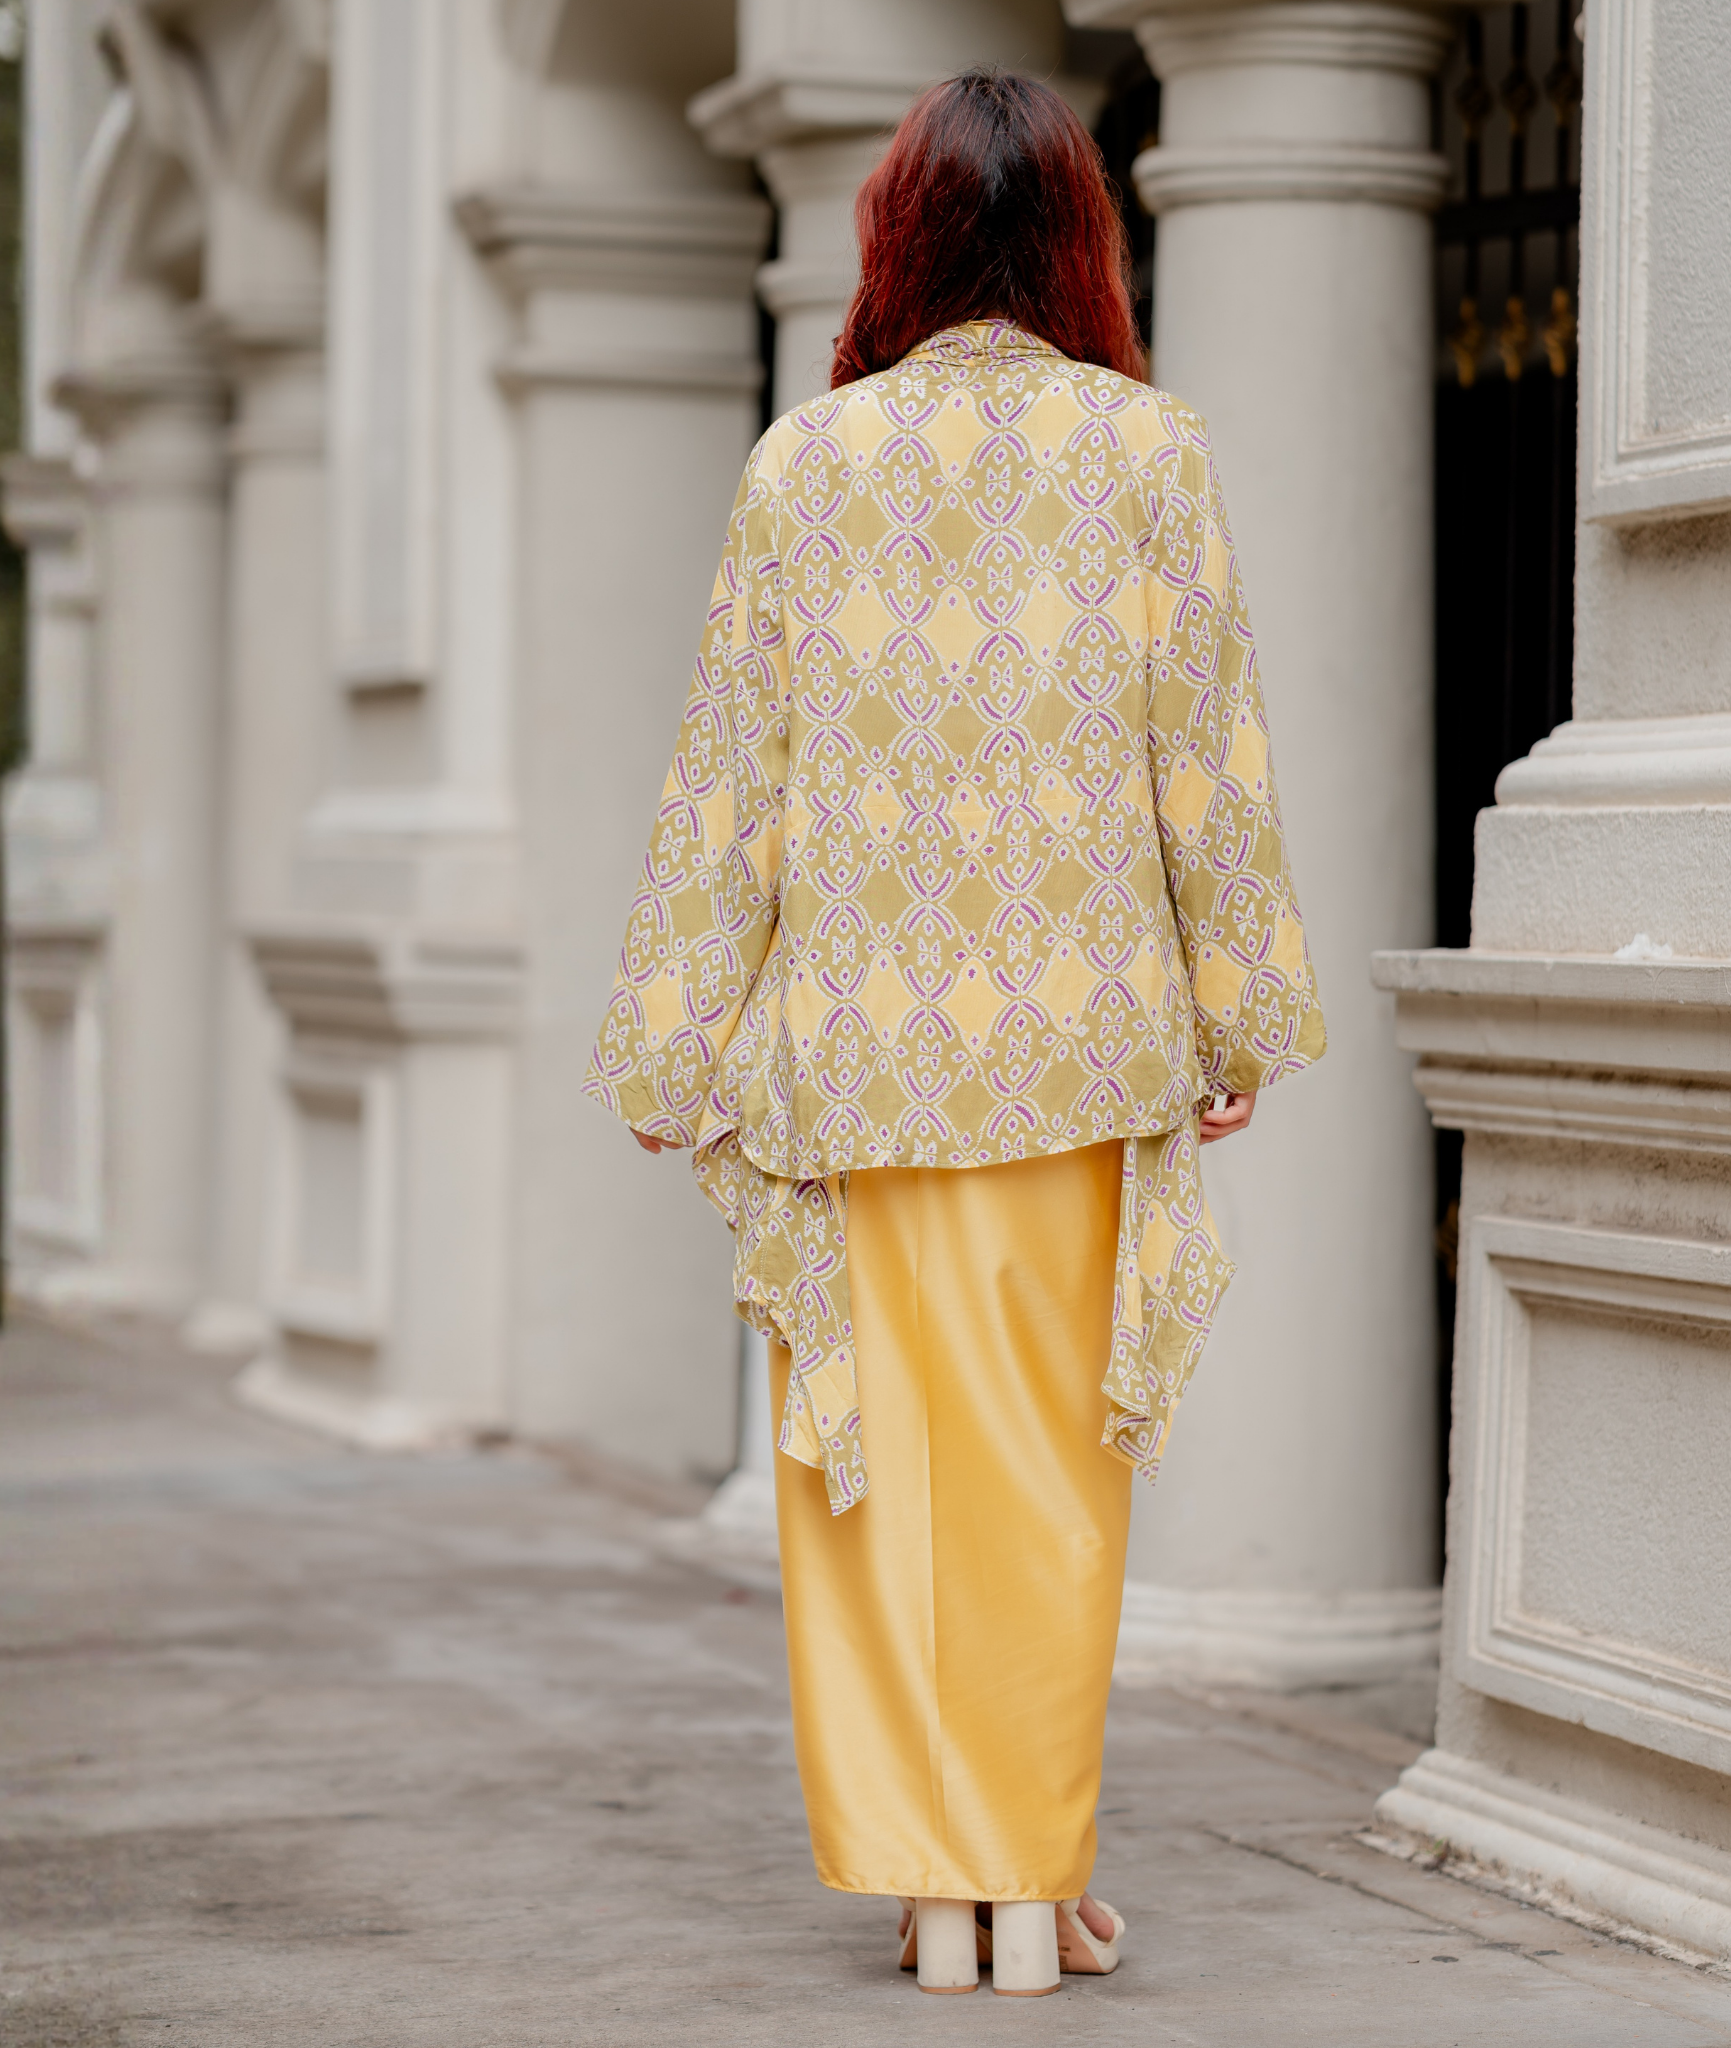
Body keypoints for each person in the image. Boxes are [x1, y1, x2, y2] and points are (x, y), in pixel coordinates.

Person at [584, 65, 1325, 1998]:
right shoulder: (1149, 451)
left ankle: (958, 1888)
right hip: (1082, 1045)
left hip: (855, 1058)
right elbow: (1208, 771)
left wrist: (672, 1044)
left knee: (874, 1484)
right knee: (1049, 1487)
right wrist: (1234, 1009)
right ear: (1086, 235)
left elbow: (723, 787)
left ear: (896, 236)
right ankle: (1019, 1875)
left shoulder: (802, 464)